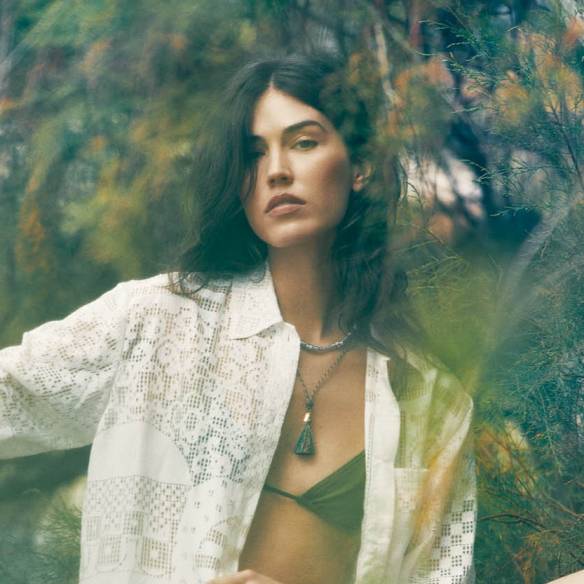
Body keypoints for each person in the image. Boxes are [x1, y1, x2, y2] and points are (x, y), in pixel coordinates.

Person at [0, 52, 475, 584]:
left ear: (360, 166)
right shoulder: (155, 323)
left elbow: (440, 574)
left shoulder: (427, 396)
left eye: (303, 143)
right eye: (253, 154)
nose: (276, 171)